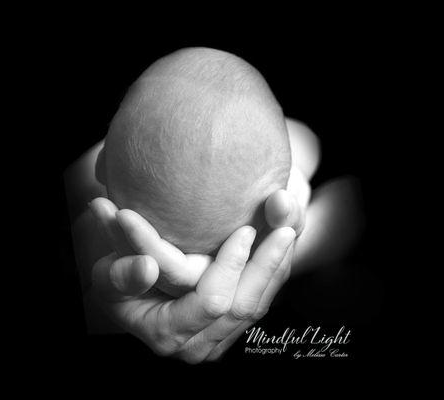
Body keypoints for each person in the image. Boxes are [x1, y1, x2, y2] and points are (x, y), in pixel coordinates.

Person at [64, 47, 361, 363]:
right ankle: (293, 247)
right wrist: (286, 239)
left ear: (102, 163)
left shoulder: (95, 232)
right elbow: (310, 143)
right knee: (329, 215)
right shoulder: (277, 196)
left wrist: (101, 316)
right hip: (257, 243)